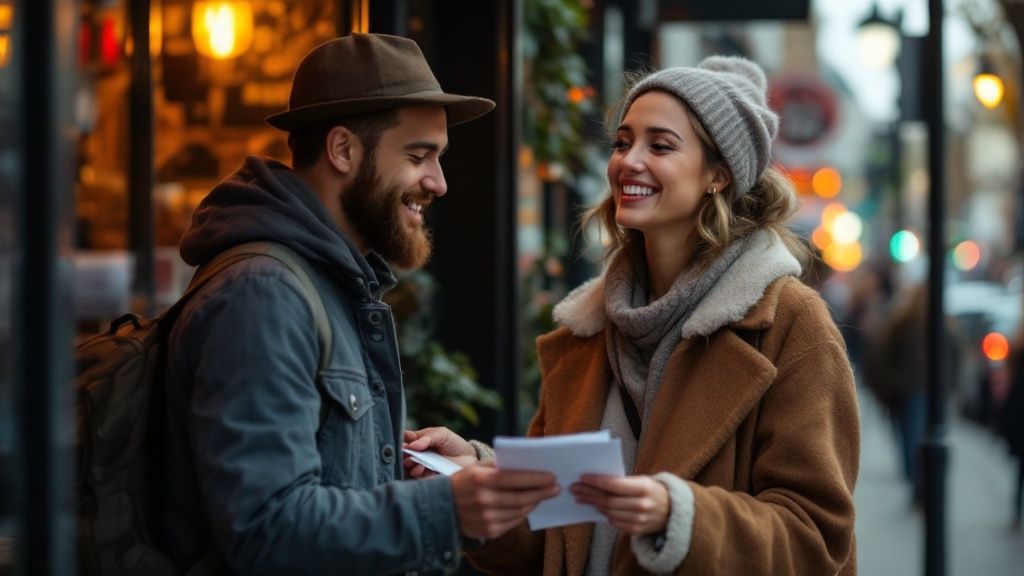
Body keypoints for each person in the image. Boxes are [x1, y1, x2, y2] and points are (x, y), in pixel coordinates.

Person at [407, 56, 860, 574]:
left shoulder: (790, 325)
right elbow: (553, 539)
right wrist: (480, 477)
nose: (629, 161)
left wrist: (681, 517)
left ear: (719, 175)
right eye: (623, 142)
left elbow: (816, 538)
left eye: (660, 145)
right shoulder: (585, 330)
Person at [161, 33, 558, 575]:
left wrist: (412, 466)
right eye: (419, 156)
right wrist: (446, 509)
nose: (439, 183)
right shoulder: (263, 295)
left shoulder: (324, 283)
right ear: (343, 150)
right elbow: (266, 529)